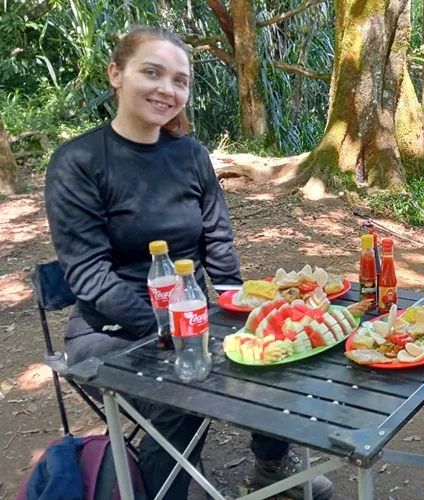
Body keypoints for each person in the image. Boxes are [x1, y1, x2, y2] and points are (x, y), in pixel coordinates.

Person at [44, 25, 333, 500]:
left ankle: (271, 467)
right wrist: (176, 336)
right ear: (116, 74)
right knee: (178, 400)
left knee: (275, 349)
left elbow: (218, 244)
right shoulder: (79, 161)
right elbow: (89, 276)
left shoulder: (191, 156)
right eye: (152, 73)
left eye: (179, 80)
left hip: (194, 315)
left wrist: (243, 311)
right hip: (108, 334)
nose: (167, 89)